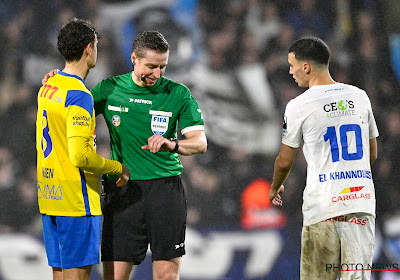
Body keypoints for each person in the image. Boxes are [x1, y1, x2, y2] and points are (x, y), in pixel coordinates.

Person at [44, 30, 207, 280]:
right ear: (134, 58)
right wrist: (58, 81)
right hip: (121, 190)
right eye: (151, 66)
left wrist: (172, 144)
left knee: (166, 275)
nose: (157, 74)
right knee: (115, 276)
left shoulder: (178, 94)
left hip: (165, 191)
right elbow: (71, 104)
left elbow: (199, 143)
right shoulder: (109, 89)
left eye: (163, 67)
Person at [268, 37, 378, 280]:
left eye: (292, 64)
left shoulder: (299, 105)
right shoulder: (360, 96)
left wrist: (275, 187)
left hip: (323, 208)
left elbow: (285, 161)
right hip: (360, 205)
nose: (290, 71)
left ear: (306, 67)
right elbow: (372, 153)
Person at [37, 18, 130, 280]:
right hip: (76, 202)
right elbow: (81, 156)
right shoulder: (79, 95)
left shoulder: (48, 87)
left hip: (50, 195)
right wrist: (117, 168)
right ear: (89, 49)